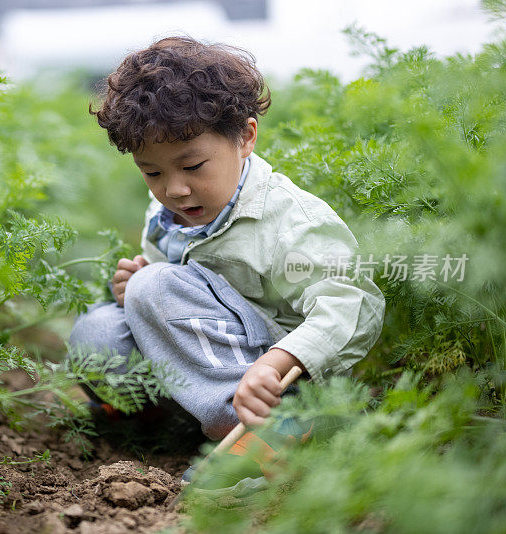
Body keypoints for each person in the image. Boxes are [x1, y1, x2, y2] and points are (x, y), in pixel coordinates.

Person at [69, 36, 385, 474]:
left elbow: (353, 303)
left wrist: (279, 363)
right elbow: (185, 294)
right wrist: (138, 284)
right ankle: (161, 419)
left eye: (193, 166)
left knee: (154, 286)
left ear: (245, 137)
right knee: (98, 332)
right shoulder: (169, 211)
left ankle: (273, 427)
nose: (174, 189)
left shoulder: (290, 220)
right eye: (153, 172)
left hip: (279, 379)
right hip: (208, 358)